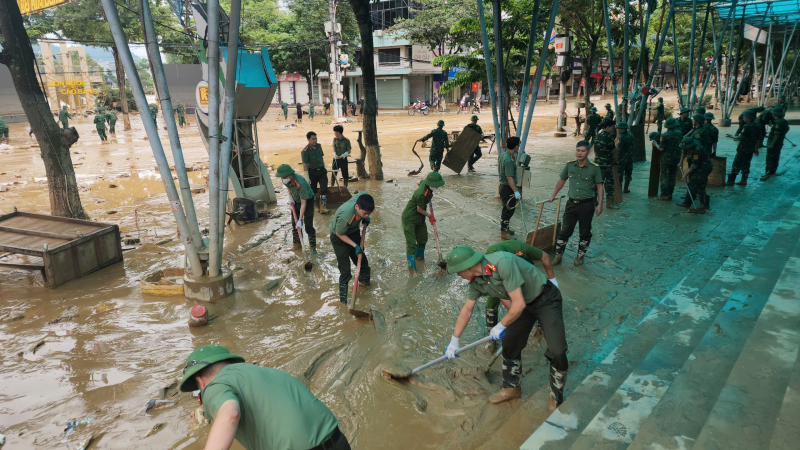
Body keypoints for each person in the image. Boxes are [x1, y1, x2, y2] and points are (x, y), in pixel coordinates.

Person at [443, 245, 567, 412]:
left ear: (468, 266)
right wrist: (454, 339)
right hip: (523, 306)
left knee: (557, 350)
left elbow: (519, 303)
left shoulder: (502, 263)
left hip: (545, 298)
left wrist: (500, 325)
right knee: (510, 343)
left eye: (458, 271)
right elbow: (467, 310)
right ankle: (512, 388)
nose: (458, 274)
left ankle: (556, 396)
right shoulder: (476, 282)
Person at [179, 344, 349, 450]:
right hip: (337, 440)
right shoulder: (261, 373)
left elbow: (230, 414)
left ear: (199, 381)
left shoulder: (212, 386)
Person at [482, 240, 556, 353]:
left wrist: (552, 280)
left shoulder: (520, 248)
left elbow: (545, 257)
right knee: (491, 303)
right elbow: (505, 298)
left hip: (525, 272)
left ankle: (541, 325)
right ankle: (491, 338)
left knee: (535, 295)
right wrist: (515, 313)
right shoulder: (491, 265)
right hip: (500, 278)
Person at [548, 140, 604, 266]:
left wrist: (600, 204)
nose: (579, 153)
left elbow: (600, 187)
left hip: (587, 205)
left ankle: (580, 256)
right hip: (571, 204)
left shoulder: (594, 168)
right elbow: (561, 181)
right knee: (565, 231)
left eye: (583, 151)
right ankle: (558, 256)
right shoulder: (569, 166)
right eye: (578, 150)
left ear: (588, 152)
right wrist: (553, 195)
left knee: (584, 232)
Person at [329, 192, 373, 304]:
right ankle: (343, 301)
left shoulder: (363, 200)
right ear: (357, 207)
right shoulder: (346, 216)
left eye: (369, 213)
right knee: (345, 271)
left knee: (362, 261)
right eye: (365, 213)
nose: (367, 215)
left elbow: (364, 195)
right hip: (339, 237)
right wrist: (355, 246)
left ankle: (365, 285)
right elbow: (339, 233)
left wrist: (365, 218)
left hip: (353, 231)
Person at [401, 172, 445, 273]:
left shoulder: (425, 184)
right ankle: (411, 267)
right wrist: (430, 216)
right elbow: (419, 209)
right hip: (409, 218)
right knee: (411, 244)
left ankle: (419, 258)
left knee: (423, 238)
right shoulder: (421, 194)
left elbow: (419, 182)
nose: (437, 187)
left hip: (419, 219)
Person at [276, 164, 317, 253]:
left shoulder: (301, 183)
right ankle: (297, 245)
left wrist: (300, 219)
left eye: (283, 177)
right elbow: (289, 187)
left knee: (308, 226)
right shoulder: (286, 180)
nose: (282, 179)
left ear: (289, 175)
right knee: (294, 225)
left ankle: (313, 248)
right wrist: (290, 197)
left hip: (307, 201)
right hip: (295, 199)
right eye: (281, 177)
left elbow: (303, 203)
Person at [652, 117, 682, 201]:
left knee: (665, 177)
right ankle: (670, 194)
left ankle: (663, 195)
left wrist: (655, 145)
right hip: (676, 158)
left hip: (666, 159)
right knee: (672, 176)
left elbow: (661, 149)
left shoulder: (664, 135)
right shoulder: (679, 133)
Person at [676, 136, 711, 209]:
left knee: (699, 184)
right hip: (696, 167)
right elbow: (684, 151)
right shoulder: (688, 146)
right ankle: (687, 203)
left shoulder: (697, 150)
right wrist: (681, 161)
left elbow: (694, 165)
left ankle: (704, 204)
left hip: (703, 168)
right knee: (692, 184)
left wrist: (685, 174)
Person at [727, 109, 759, 186]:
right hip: (750, 149)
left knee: (736, 164)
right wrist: (756, 149)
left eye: (744, 116)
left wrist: (733, 137)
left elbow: (742, 137)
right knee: (746, 164)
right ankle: (744, 180)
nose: (743, 118)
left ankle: (730, 181)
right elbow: (758, 139)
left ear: (748, 117)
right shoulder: (757, 126)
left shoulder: (746, 126)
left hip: (743, 148)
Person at [498, 136, 521, 239]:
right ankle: (504, 232)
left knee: (507, 209)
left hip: (503, 186)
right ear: (516, 147)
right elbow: (509, 177)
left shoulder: (503, 155)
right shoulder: (509, 160)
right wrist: (516, 191)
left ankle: (506, 228)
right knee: (508, 210)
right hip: (508, 188)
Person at [301, 131, 330, 214]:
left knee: (324, 189)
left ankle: (323, 206)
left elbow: (321, 157)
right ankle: (315, 205)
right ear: (308, 139)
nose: (315, 141)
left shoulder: (319, 146)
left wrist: (323, 166)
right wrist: (307, 176)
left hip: (321, 171)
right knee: (313, 190)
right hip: (312, 172)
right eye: (313, 139)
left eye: (316, 139)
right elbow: (305, 164)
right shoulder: (305, 151)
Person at [593, 119, 618, 209]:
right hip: (606, 164)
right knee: (609, 184)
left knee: (597, 183)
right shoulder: (609, 137)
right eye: (612, 128)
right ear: (607, 127)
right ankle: (609, 204)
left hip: (597, 164)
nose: (613, 129)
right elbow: (613, 150)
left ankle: (594, 202)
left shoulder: (597, 136)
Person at [762, 107, 790, 181]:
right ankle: (772, 171)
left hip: (774, 143)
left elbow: (776, 134)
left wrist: (772, 143)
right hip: (779, 142)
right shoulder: (783, 121)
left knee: (770, 159)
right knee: (775, 157)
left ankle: (768, 173)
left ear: (775, 114)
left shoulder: (778, 122)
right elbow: (787, 129)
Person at [615, 122, 635, 194]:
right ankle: (626, 188)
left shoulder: (621, 137)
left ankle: (619, 190)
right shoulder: (631, 135)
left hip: (621, 159)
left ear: (624, 129)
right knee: (628, 174)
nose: (617, 129)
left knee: (619, 175)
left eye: (619, 128)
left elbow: (618, 149)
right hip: (630, 158)